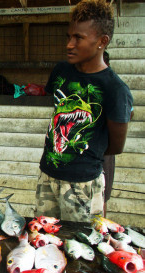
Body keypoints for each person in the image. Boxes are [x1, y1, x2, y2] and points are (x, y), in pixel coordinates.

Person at [35, 0, 133, 223]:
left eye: (78, 38)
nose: (69, 44)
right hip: (47, 175)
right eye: (69, 36)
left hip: (82, 184)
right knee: (42, 240)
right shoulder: (61, 71)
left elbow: (115, 146)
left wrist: (80, 154)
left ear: (102, 41)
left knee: (81, 246)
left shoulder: (115, 89)